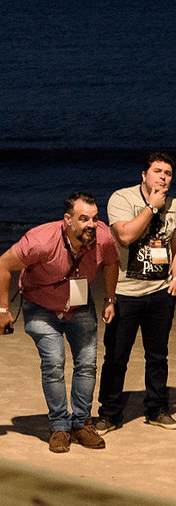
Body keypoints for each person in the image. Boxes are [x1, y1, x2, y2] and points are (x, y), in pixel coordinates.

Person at [0, 192, 118, 452]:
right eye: (84, 218)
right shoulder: (40, 241)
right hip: (40, 305)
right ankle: (60, 427)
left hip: (79, 303)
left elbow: (111, 263)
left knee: (87, 364)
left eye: (95, 218)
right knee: (54, 363)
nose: (91, 225)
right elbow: (3, 265)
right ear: (68, 220)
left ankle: (81, 424)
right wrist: (2, 309)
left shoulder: (103, 236)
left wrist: (109, 299)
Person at [95, 152, 176, 434]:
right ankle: (109, 413)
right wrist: (151, 206)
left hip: (160, 293)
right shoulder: (122, 199)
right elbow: (125, 236)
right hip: (125, 292)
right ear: (144, 175)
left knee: (157, 355)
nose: (163, 177)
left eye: (168, 173)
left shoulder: (174, 205)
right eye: (158, 171)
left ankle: (157, 409)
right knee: (117, 355)